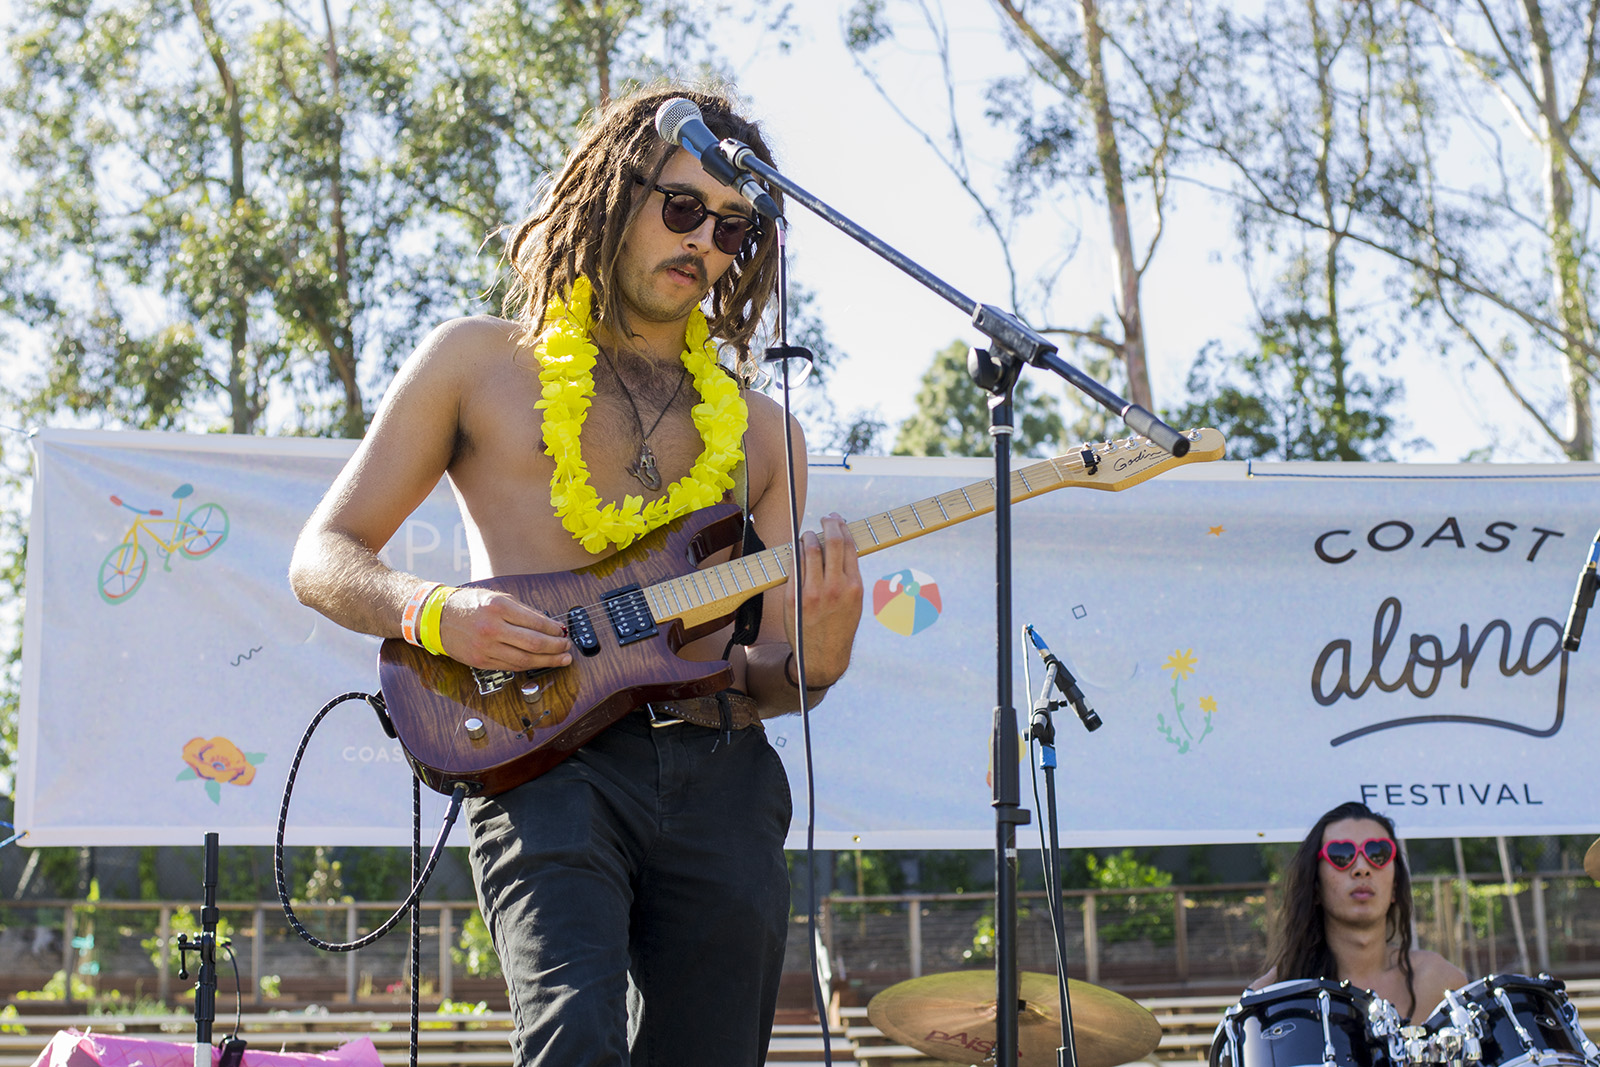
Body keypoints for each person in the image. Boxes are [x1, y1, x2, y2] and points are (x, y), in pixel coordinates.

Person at [288, 83, 864, 1066]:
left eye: (731, 227)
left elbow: (769, 670)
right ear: (610, 197)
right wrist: (433, 612)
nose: (703, 243)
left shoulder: (766, 434)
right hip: (542, 755)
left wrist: (826, 646)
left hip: (720, 770)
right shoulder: (476, 362)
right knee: (575, 1043)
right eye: (679, 207)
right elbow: (324, 555)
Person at [1250, 801, 1467, 1022]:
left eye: (1378, 853)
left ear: (1395, 885)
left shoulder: (1441, 985)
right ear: (1314, 886)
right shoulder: (1272, 996)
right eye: (1341, 854)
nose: (1362, 868)